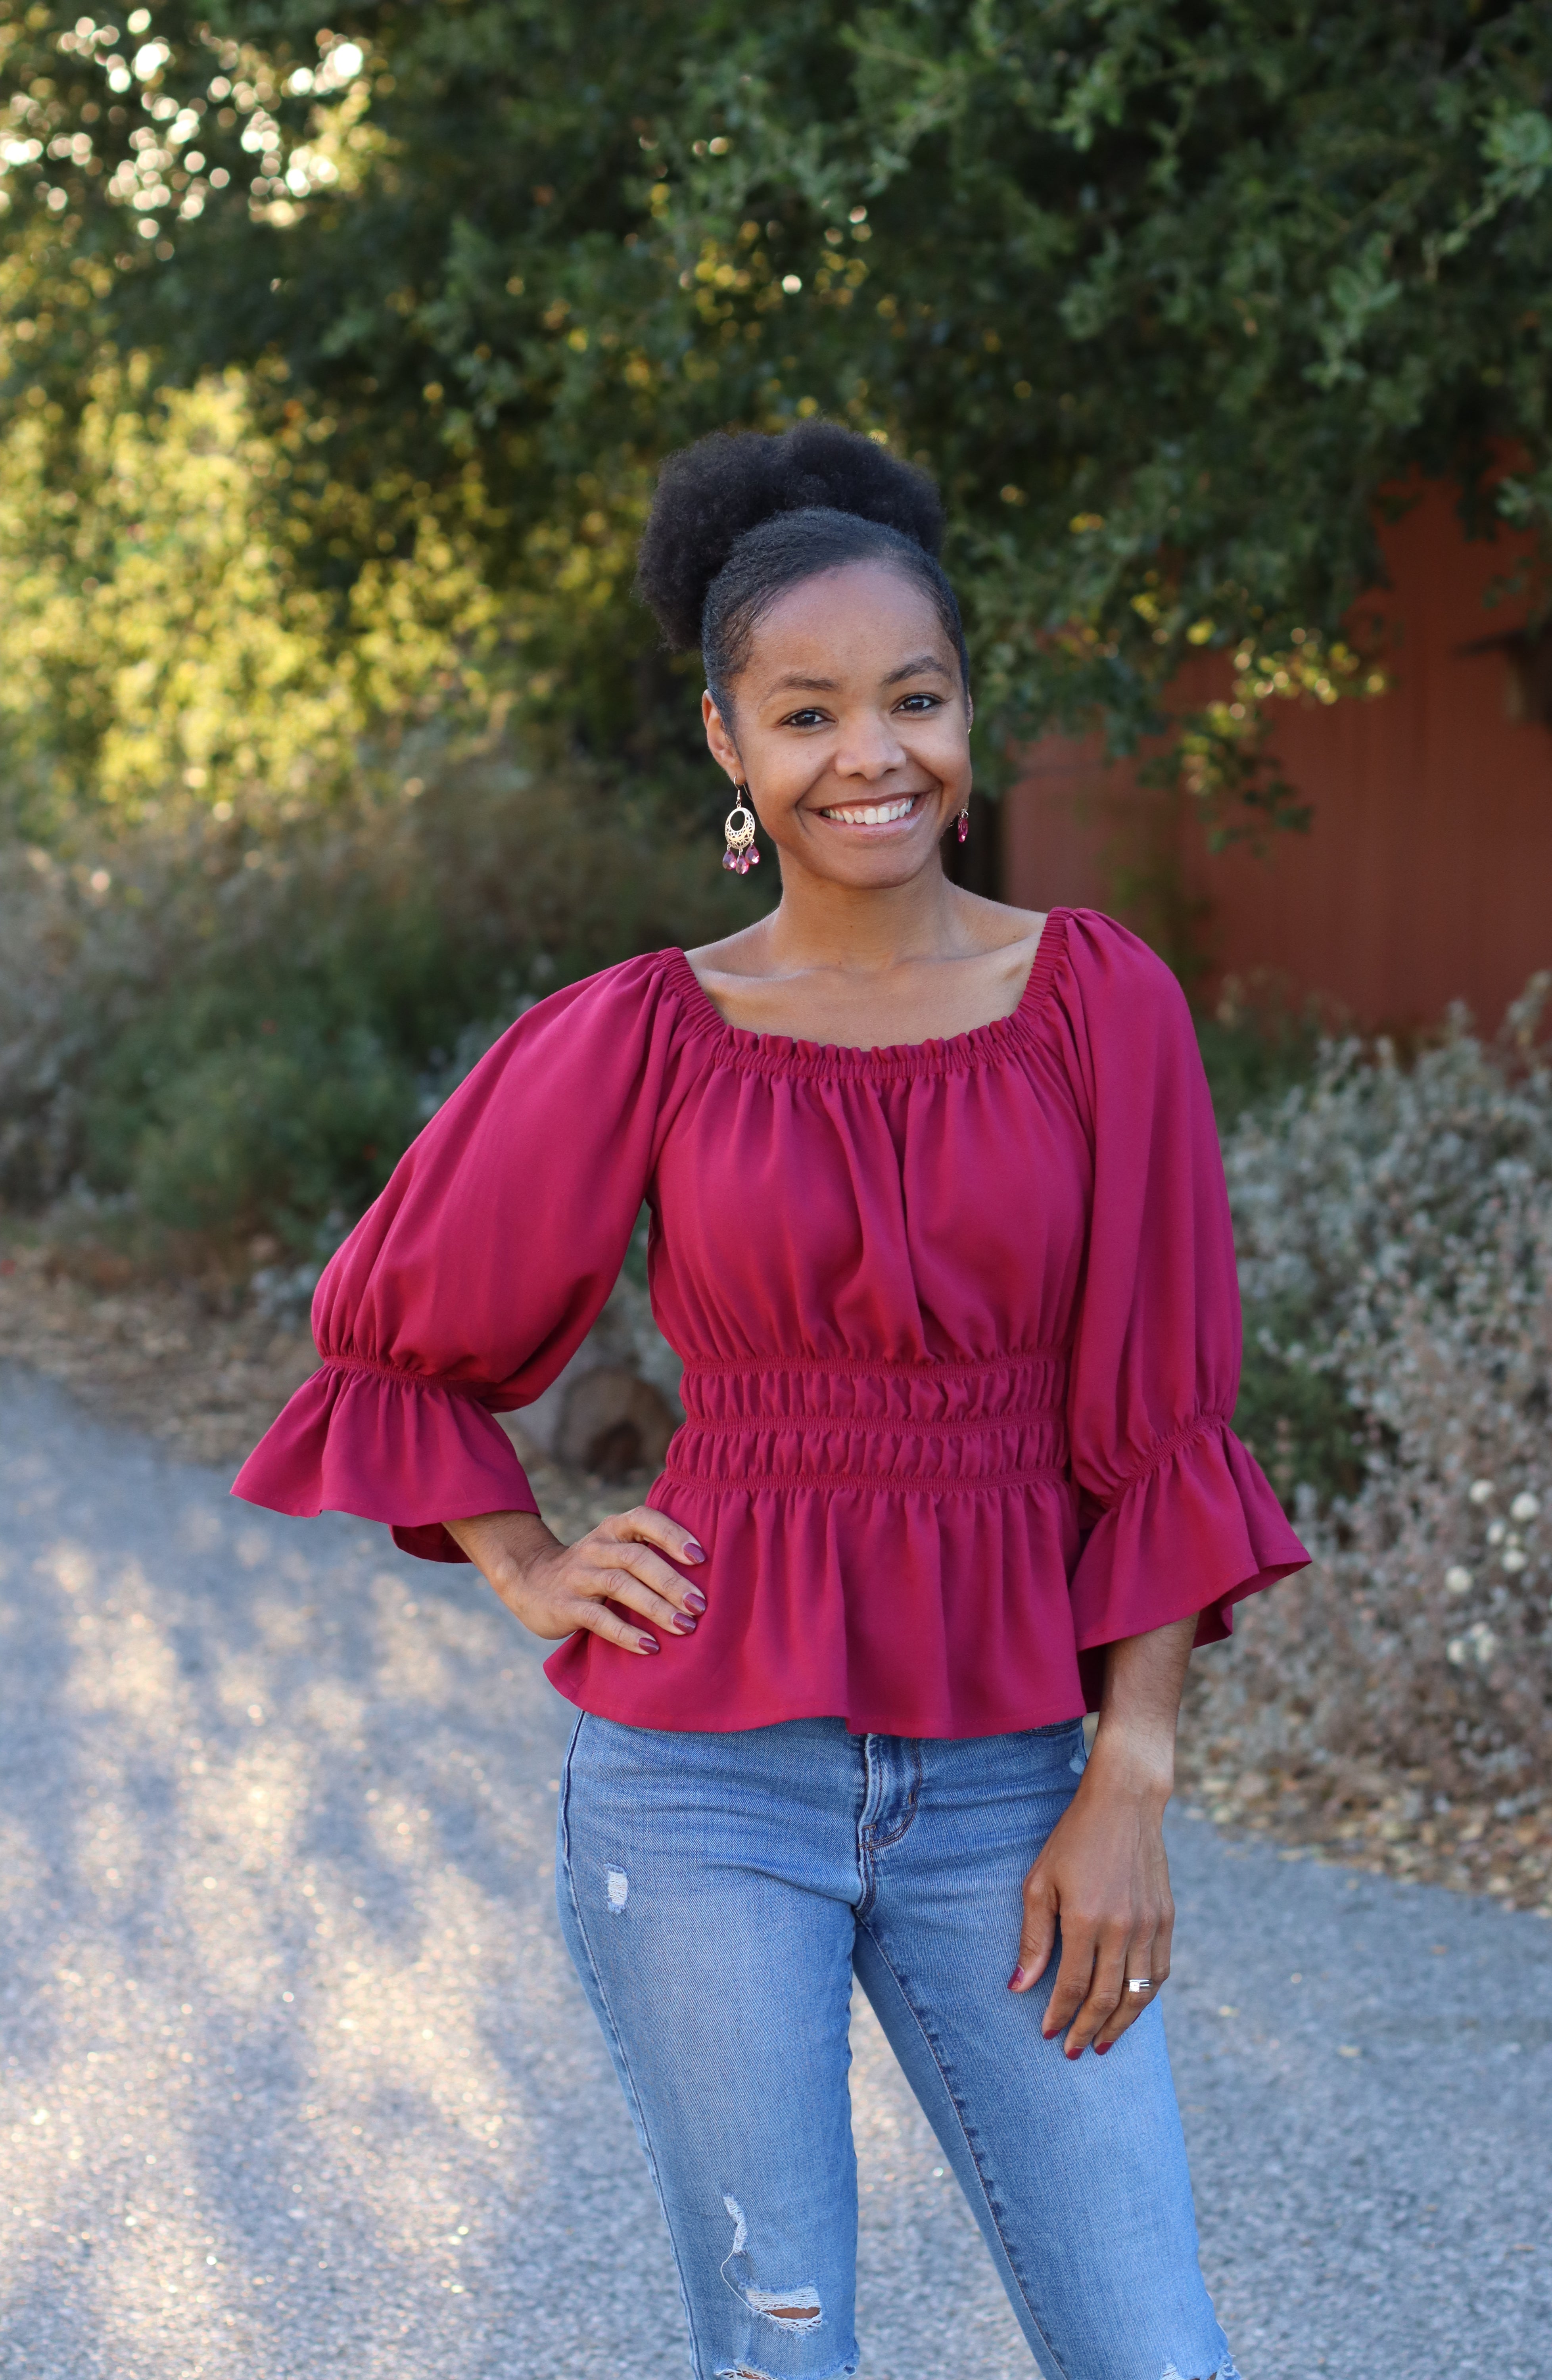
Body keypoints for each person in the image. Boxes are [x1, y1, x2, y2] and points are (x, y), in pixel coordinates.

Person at [236, 420, 1309, 2380]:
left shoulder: (1101, 1004)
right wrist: (526, 1563)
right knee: (781, 2346)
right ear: (728, 743)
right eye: (806, 715)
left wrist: (1130, 1777)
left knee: (1151, 2347)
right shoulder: (650, 1033)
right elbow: (397, 1334)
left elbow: (1161, 1420)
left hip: (1011, 1781)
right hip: (700, 1788)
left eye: (915, 698)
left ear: (969, 712)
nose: (869, 754)